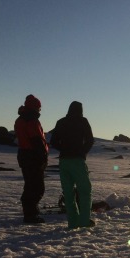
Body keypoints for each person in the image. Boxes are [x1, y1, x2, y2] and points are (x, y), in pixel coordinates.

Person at [50, 101, 95, 229]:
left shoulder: (61, 122)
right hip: (77, 161)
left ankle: (73, 222)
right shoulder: (83, 121)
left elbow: (53, 141)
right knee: (85, 190)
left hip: (64, 161)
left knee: (68, 193)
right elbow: (90, 140)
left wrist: (64, 149)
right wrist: (82, 151)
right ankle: (84, 221)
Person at [14, 94, 49, 224]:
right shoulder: (31, 120)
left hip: (24, 155)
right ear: (34, 108)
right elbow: (36, 140)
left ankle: (31, 211)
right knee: (36, 186)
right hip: (32, 156)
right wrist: (42, 156)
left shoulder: (21, 119)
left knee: (31, 185)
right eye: (39, 108)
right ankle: (30, 215)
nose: (40, 110)